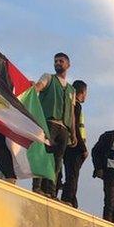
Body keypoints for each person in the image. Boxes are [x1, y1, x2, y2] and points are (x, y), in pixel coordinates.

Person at [33, 53, 77, 197]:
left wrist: (74, 133)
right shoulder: (48, 77)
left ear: (68, 65)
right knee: (43, 153)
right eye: (56, 61)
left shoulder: (72, 90)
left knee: (57, 162)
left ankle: (51, 192)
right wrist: (33, 87)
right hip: (49, 122)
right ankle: (37, 187)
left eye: (61, 61)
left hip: (63, 128)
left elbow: (71, 112)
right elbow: (38, 87)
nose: (58, 63)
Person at [60, 80, 88, 208]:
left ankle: (72, 200)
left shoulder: (69, 105)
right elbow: (75, 126)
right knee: (72, 175)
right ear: (82, 92)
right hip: (74, 146)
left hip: (68, 145)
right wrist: (83, 148)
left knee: (71, 174)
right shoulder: (76, 105)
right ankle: (68, 199)